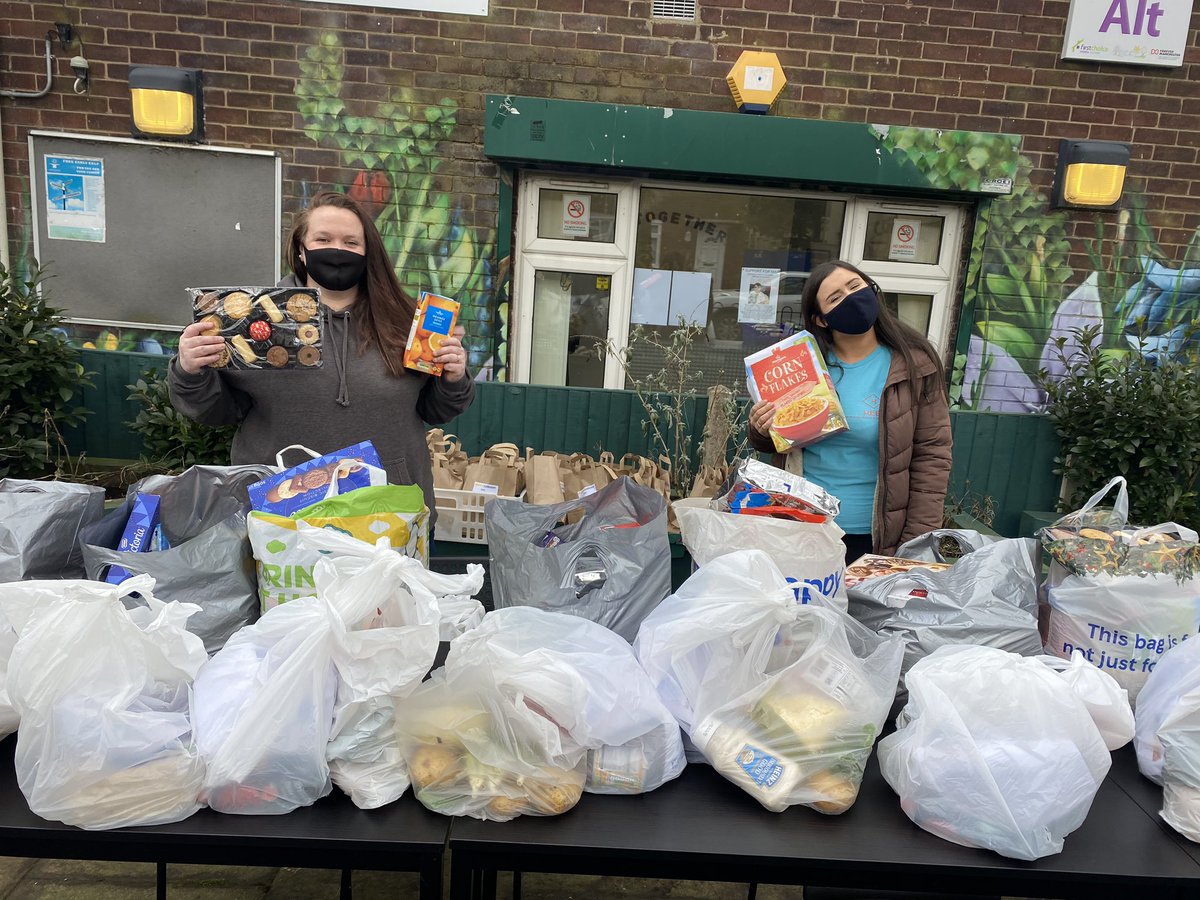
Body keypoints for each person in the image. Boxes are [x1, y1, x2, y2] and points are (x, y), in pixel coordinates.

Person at [169, 191, 474, 519]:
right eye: (323, 239)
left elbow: (436, 409)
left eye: (351, 242)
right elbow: (217, 412)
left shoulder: (408, 321)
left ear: (368, 251)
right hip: (281, 511)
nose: (337, 250)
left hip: (388, 513)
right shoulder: (256, 322)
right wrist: (190, 371)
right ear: (301, 250)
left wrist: (453, 378)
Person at [747, 260, 952, 561]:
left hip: (878, 538)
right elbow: (778, 443)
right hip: (803, 528)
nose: (850, 298)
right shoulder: (801, 367)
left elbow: (932, 459)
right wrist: (760, 428)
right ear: (821, 320)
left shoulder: (914, 366)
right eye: (835, 298)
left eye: (855, 286)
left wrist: (915, 546)